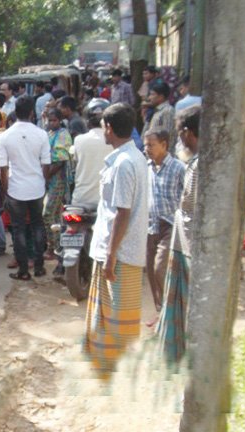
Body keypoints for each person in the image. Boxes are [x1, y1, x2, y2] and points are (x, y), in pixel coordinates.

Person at [84, 103, 149, 379]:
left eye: (103, 128)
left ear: (109, 128)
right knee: (113, 312)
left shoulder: (124, 164)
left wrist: (110, 257)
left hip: (119, 253)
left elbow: (121, 213)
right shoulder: (133, 158)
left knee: (116, 314)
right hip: (120, 250)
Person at [158, 106, 200, 365]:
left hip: (188, 246)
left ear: (188, 133)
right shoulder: (195, 163)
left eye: (179, 133)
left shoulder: (196, 167)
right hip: (184, 243)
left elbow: (191, 207)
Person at [0, 96, 51, 280]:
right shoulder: (42, 134)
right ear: (31, 112)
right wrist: (43, 184)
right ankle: (39, 266)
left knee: (18, 229)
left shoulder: (4, 136)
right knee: (37, 226)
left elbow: (2, 168)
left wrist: (5, 191)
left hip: (15, 189)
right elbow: (46, 165)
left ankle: (23, 270)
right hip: (36, 187)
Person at [144, 130, 185, 312]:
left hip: (170, 226)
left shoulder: (178, 168)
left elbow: (189, 197)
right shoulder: (146, 168)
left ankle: (172, 309)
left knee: (160, 267)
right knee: (151, 272)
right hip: (150, 225)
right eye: (145, 145)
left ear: (164, 144)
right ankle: (160, 311)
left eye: (151, 145)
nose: (147, 149)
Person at [43, 109, 73, 265]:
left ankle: (54, 247)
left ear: (60, 120)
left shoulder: (63, 134)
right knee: (53, 215)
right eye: (49, 120)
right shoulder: (48, 133)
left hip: (58, 179)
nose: (51, 123)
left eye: (54, 120)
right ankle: (55, 246)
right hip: (48, 178)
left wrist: (47, 175)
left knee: (48, 213)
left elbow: (60, 160)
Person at [71, 103, 114, 209]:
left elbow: (74, 162)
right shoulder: (115, 142)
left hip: (82, 198)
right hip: (108, 200)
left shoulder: (79, 140)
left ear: (87, 122)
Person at [142, 81, 176, 154]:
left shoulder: (167, 111)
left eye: (152, 94)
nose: (150, 97)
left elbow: (167, 135)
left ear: (161, 96)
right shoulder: (157, 111)